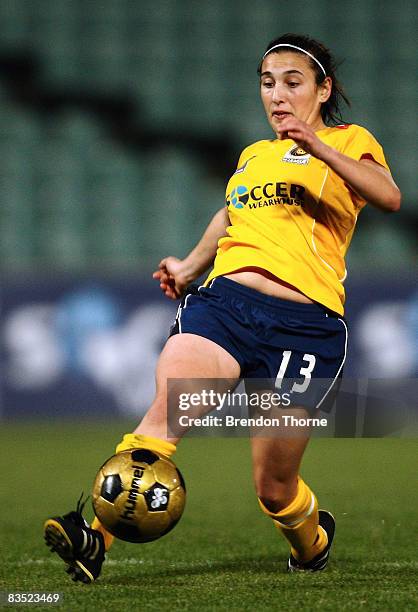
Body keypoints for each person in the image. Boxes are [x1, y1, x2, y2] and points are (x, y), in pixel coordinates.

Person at [44, 33, 401, 582]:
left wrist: (317, 146)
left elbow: (388, 195)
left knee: (274, 488)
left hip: (305, 328)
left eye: (292, 82)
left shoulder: (349, 141)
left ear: (323, 89)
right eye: (267, 82)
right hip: (225, 307)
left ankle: (311, 541)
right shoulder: (255, 156)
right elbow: (234, 213)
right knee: (166, 415)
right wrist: (189, 267)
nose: (277, 94)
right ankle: (97, 538)